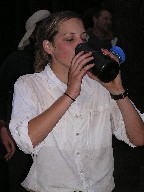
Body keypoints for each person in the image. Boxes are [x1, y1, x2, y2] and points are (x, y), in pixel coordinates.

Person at [9, 11, 144, 192]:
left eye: (83, 38)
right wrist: (70, 93)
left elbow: (139, 138)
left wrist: (118, 91)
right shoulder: (29, 85)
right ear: (49, 47)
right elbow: (27, 141)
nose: (81, 46)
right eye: (69, 39)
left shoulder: (99, 86)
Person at [0, 9, 51, 191]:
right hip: (19, 132)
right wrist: (2, 128)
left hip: (50, 131)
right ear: (34, 33)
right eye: (44, 26)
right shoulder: (16, 60)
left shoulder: (54, 59)